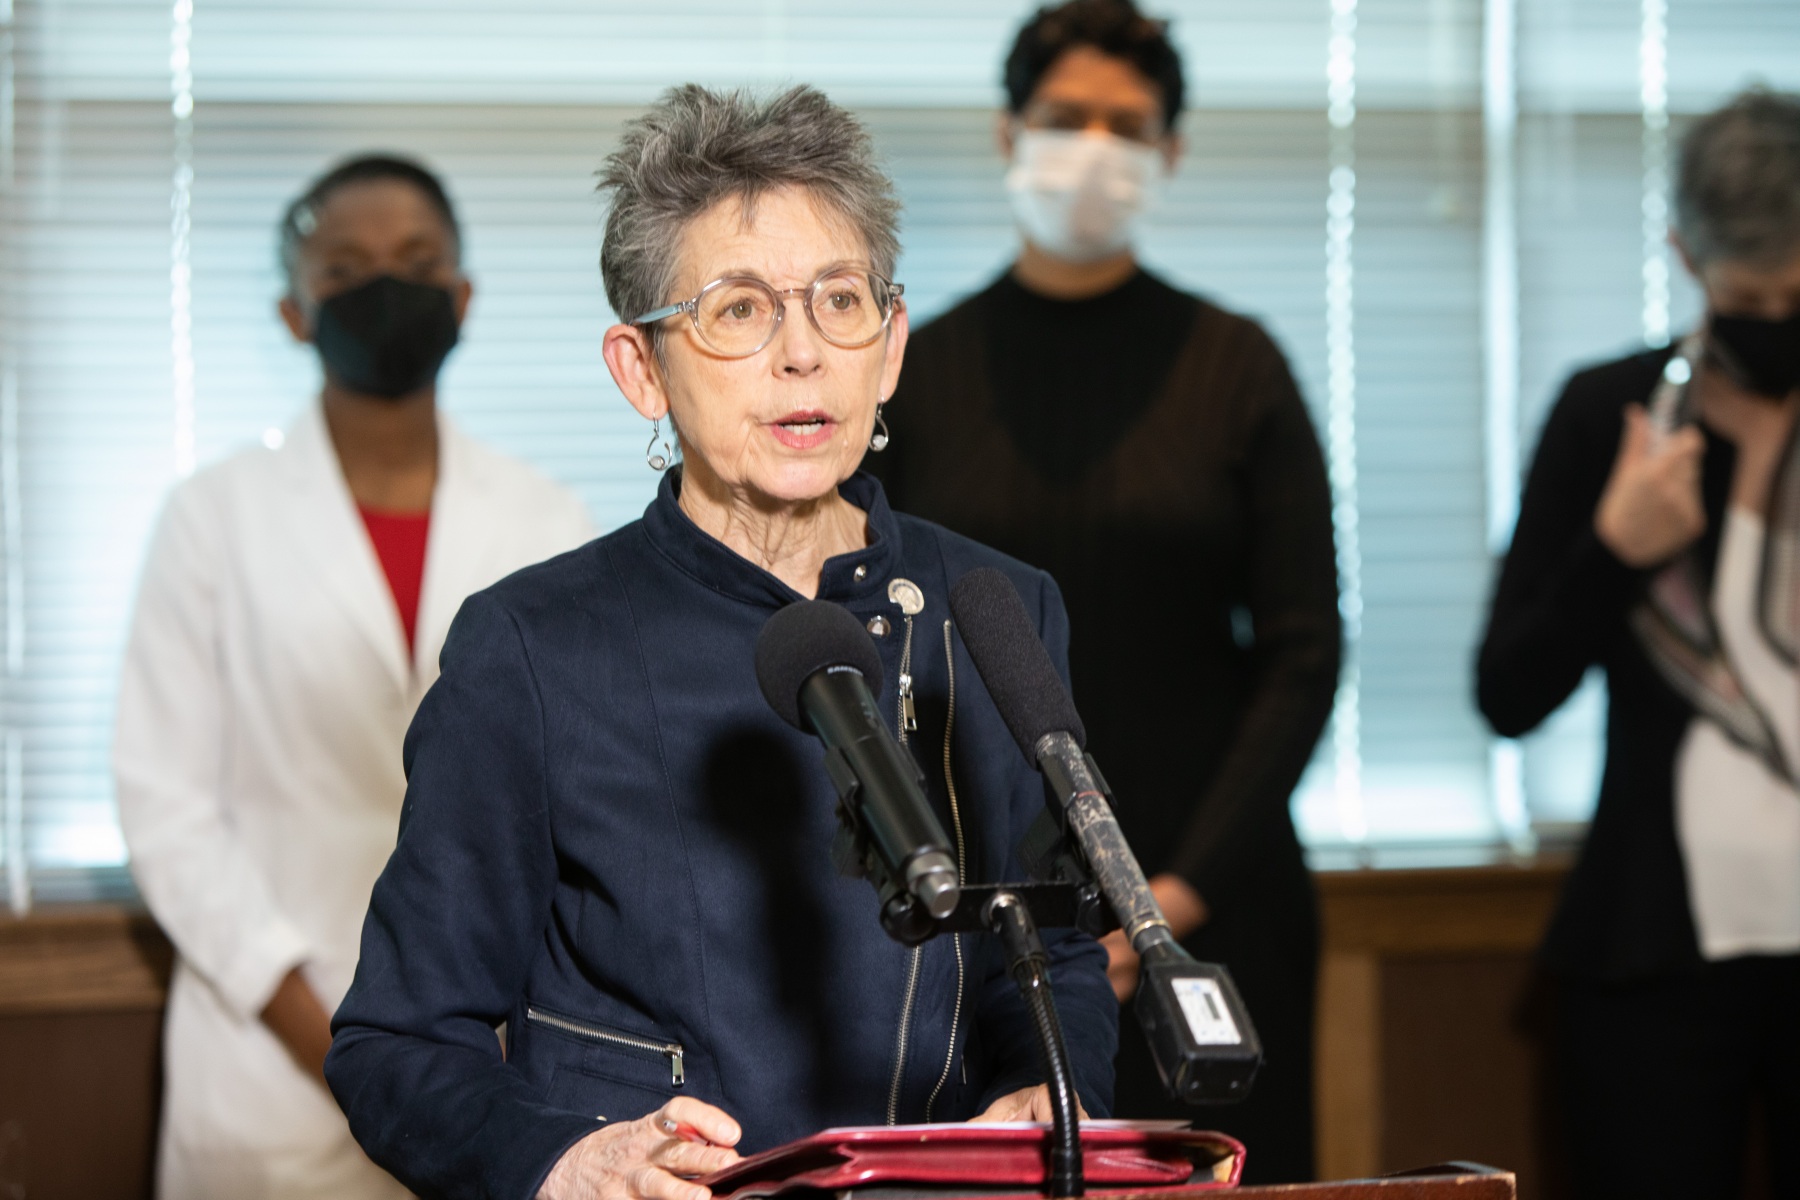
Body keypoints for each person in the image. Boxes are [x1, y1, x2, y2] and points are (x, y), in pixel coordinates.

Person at [325, 86, 1118, 1200]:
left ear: (890, 347)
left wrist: (1049, 1084)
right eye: (739, 310)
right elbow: (398, 1045)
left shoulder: (996, 610)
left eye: (839, 300)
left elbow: (1053, 953)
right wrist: (563, 1165)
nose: (803, 354)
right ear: (641, 370)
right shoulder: (532, 650)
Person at [868, 0, 1338, 1182]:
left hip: (1217, 903)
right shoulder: (920, 370)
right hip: (987, 911)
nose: (1093, 147)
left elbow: (1303, 652)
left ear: (1170, 151)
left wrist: (1166, 898)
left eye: (1127, 125)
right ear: (1007, 132)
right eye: (1064, 115)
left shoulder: (1237, 365)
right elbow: (880, 639)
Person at [114, 154, 595, 1199]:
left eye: (416, 264)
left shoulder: (547, 521)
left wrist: (445, 1054)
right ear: (293, 311)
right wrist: (332, 1038)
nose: (384, 287)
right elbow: (165, 809)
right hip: (265, 1071)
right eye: (345, 269)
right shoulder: (211, 518)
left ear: (462, 298)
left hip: (487, 1063)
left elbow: (579, 800)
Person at [1477, 90, 1800, 1200]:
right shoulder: (1609, 412)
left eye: (1798, 296)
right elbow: (1508, 692)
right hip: (1654, 951)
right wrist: (1616, 550)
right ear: (1687, 256)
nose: (1776, 321)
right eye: (1749, 299)